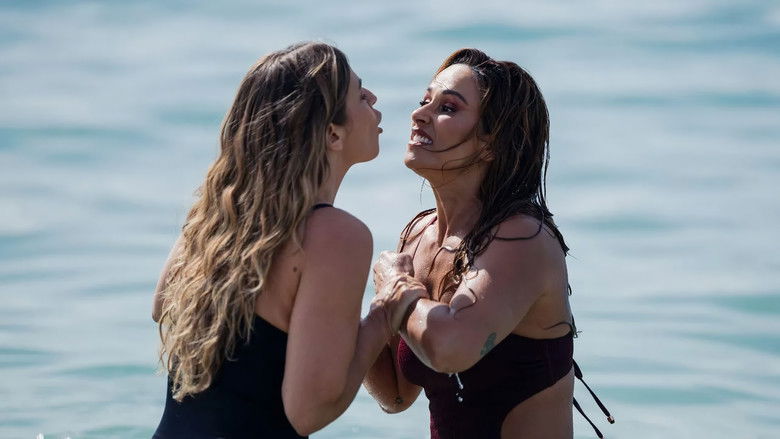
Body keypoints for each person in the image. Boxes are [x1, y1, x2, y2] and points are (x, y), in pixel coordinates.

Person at [151, 42, 426, 439]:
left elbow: (162, 306)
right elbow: (308, 412)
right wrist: (384, 315)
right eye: (358, 93)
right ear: (332, 134)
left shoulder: (217, 214)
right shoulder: (335, 235)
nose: (372, 97)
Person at [364, 48, 612, 439]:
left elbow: (450, 349)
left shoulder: (522, 239)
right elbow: (396, 394)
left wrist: (396, 287)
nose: (419, 115)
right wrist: (341, 300)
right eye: (424, 101)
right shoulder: (417, 236)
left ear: (492, 143)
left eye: (447, 108)